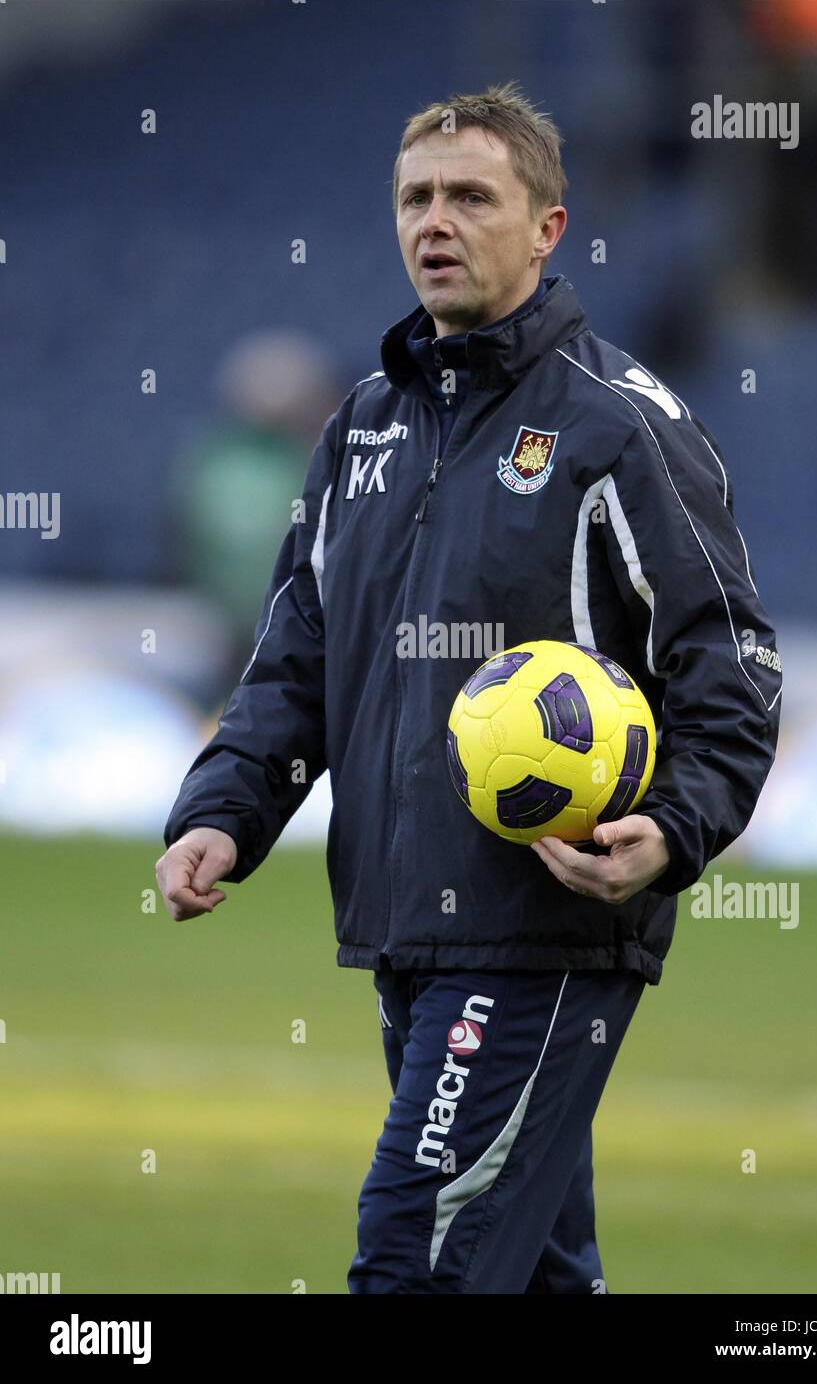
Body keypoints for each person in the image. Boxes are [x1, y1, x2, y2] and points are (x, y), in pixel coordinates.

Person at [157, 82, 782, 1294]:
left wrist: (674, 829)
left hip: (548, 925)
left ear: (548, 228)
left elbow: (735, 663)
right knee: (536, 1275)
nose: (435, 221)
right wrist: (224, 811)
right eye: (416, 198)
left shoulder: (620, 428)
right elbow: (299, 656)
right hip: (403, 921)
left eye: (471, 197)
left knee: (417, 1259)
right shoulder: (361, 428)